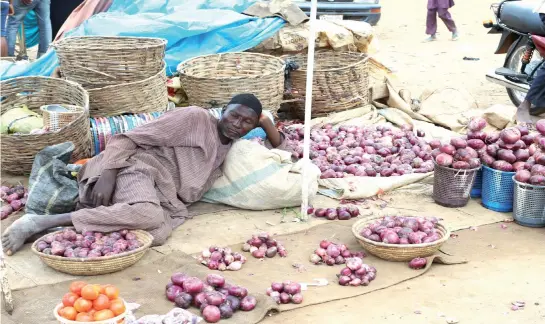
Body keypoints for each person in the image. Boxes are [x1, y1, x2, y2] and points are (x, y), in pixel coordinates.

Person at [2, 94, 287, 255]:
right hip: (134, 166)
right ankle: (38, 221)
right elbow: (128, 137)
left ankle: (59, 229)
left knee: (157, 234)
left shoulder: (234, 146)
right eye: (234, 115)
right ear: (223, 110)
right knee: (148, 217)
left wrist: (265, 120)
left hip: (160, 191)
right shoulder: (194, 117)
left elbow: (284, 149)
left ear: (253, 127)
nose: (238, 124)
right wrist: (109, 174)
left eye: (247, 122)